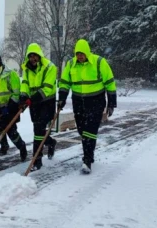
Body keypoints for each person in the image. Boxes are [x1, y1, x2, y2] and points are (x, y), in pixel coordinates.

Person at [58, 39, 117, 174]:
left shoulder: (99, 62)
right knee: (81, 130)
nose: (79, 56)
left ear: (87, 52)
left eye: (82, 54)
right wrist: (61, 99)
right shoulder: (71, 64)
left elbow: (109, 82)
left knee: (90, 130)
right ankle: (89, 153)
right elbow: (65, 83)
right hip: (78, 101)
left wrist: (111, 102)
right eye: (77, 54)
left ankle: (87, 160)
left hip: (96, 101)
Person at [0, 51, 27, 171]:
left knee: (12, 133)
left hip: (10, 107)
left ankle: (22, 147)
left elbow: (16, 93)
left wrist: (9, 108)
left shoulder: (10, 74)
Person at [19, 43, 57, 172]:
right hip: (34, 103)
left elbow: (47, 87)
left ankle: (37, 160)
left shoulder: (50, 67)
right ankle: (50, 142)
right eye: (30, 56)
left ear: (39, 56)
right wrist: (23, 96)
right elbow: (24, 83)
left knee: (38, 128)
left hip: (47, 102)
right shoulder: (27, 69)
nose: (33, 59)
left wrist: (32, 98)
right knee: (38, 128)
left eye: (35, 56)